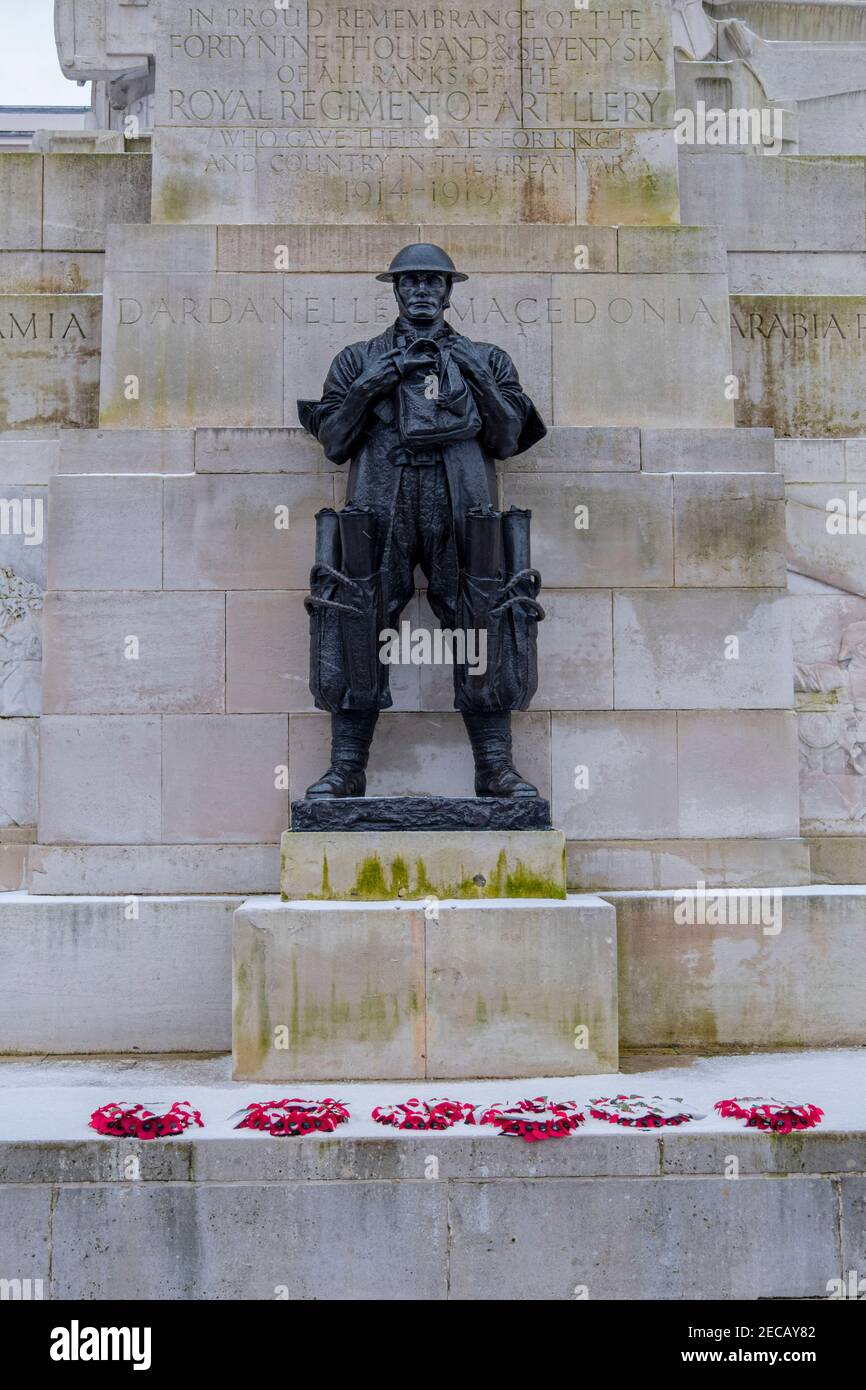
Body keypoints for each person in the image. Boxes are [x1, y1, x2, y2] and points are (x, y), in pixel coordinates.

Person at [298, 243, 546, 800]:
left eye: (433, 282)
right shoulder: (358, 359)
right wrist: (374, 383)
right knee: (355, 616)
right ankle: (346, 767)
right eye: (410, 282)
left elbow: (507, 440)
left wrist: (474, 373)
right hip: (381, 500)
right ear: (395, 289)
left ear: (449, 290)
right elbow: (334, 442)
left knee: (484, 617)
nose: (421, 292)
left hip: (463, 501)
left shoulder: (489, 357)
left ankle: (495, 767)